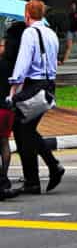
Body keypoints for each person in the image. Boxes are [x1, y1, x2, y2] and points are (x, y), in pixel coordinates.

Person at [7, 0, 63, 195]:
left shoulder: (30, 33)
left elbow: (23, 62)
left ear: (27, 14)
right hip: (48, 85)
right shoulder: (51, 33)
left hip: (33, 84)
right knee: (27, 130)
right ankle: (50, 168)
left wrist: (13, 89)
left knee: (23, 130)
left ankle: (35, 179)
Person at [0, 22, 25, 199]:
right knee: (4, 144)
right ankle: (4, 178)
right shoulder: (17, 64)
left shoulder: (1, 63)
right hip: (8, 108)